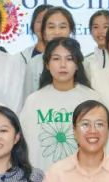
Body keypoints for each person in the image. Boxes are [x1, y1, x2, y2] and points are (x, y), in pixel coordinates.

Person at [19, 36, 99, 172]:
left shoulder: (92, 99)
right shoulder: (33, 101)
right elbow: (24, 144)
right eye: (56, 59)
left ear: (77, 64)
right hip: (42, 177)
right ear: (47, 64)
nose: (63, 65)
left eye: (69, 59)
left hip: (84, 175)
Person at [23, 6, 77, 99]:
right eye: (51, 27)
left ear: (70, 30)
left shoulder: (81, 61)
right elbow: (27, 98)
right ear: (44, 31)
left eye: (62, 27)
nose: (57, 32)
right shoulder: (34, 63)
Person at [84, 8, 109, 79]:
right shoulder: (86, 62)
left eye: (105, 27)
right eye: (96, 27)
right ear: (90, 31)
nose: (100, 31)